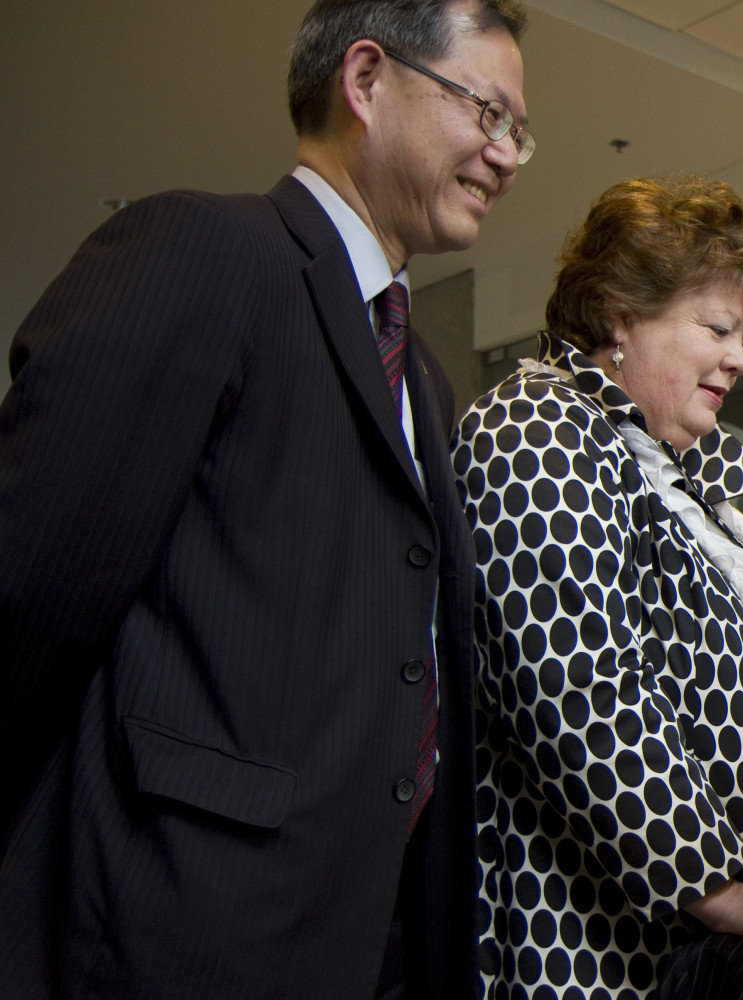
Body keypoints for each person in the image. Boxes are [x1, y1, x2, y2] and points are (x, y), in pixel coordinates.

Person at [0, 2, 529, 996]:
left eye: (517, 132)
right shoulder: (202, 250)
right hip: (173, 925)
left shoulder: (421, 373)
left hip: (362, 932)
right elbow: (32, 582)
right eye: (485, 112)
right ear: (366, 81)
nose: (506, 156)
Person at [454, 176, 743, 1000]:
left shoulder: (681, 474)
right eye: (718, 327)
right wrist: (721, 892)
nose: (742, 355)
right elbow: (579, 689)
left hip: (718, 955)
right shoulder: (535, 431)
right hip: (601, 945)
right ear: (621, 313)